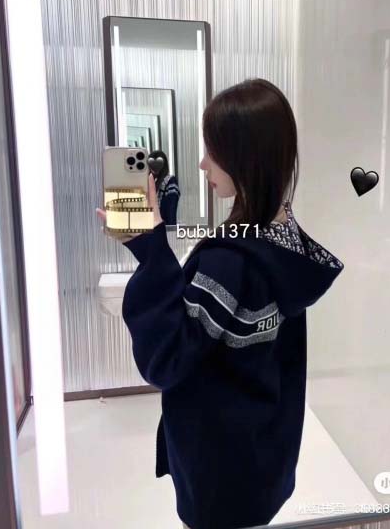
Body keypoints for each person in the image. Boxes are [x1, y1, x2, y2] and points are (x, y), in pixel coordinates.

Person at [96, 78, 345, 529]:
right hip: (264, 454)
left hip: (219, 469)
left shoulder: (229, 261)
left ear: (244, 156)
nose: (202, 163)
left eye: (213, 151)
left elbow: (167, 359)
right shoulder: (282, 236)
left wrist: (151, 251)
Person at [148, 149, 180, 225]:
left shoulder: (170, 181)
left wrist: (171, 228)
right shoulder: (150, 181)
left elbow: (171, 209)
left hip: (164, 226)